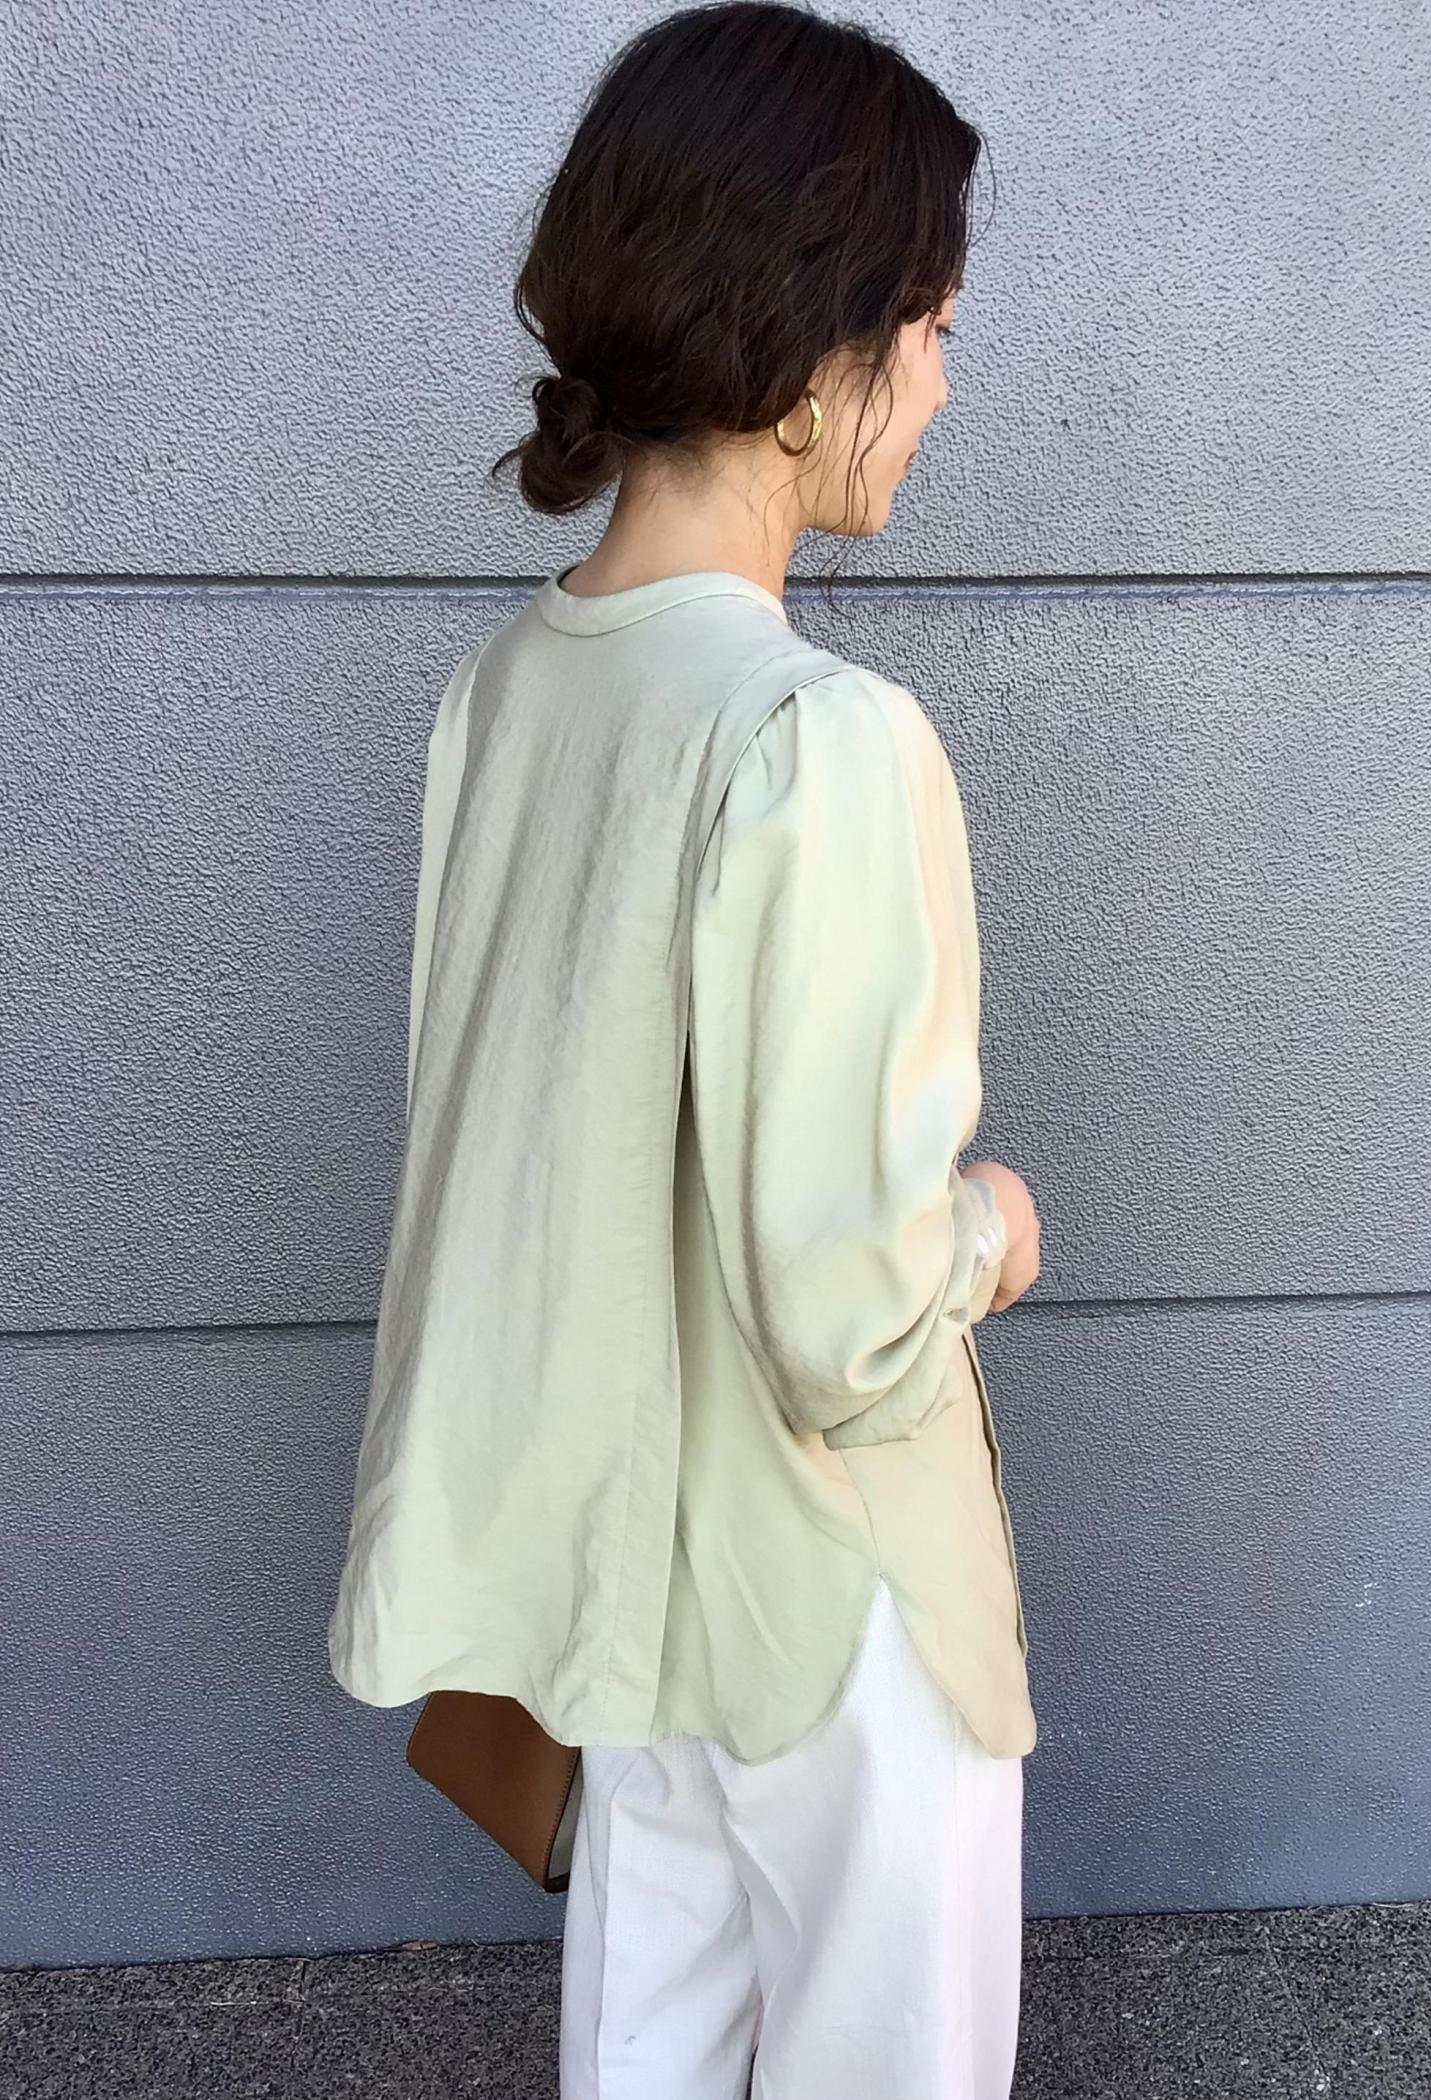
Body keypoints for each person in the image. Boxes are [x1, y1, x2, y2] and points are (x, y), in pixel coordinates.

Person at [326, 4, 1043, 2094]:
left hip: (626, 1611)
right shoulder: (820, 739)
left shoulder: (512, 696)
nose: (942, 381)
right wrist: (990, 1231)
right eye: (929, 325)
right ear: (816, 347)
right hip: (835, 1615)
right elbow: (845, 1323)